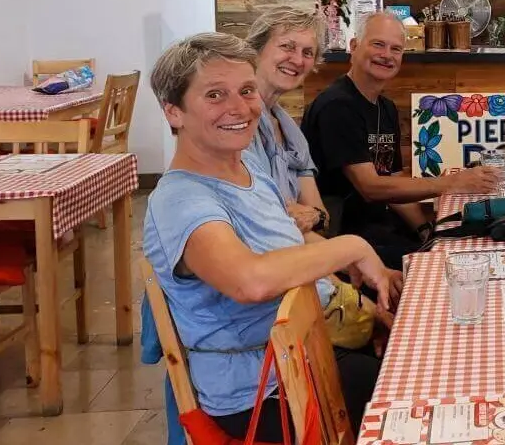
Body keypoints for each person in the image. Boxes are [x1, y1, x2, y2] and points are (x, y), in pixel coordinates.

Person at [143, 32, 399, 442]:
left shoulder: (246, 167)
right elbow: (251, 280)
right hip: (261, 393)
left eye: (246, 90)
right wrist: (350, 246)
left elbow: (287, 241)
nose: (239, 107)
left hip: (309, 350)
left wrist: (368, 274)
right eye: (214, 95)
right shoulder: (181, 200)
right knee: (420, 401)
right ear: (173, 112)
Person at [302, 12, 500, 269]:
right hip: (343, 239)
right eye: (378, 44)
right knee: (448, 266)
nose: (387, 55)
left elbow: (393, 178)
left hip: (379, 228)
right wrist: (451, 183)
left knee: (469, 244)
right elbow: (370, 187)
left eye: (396, 49)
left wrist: (425, 230)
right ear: (353, 47)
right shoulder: (337, 106)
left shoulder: (386, 107)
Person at [245, 7, 328, 234]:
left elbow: (321, 215)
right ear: (257, 49)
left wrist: (313, 216)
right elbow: (258, 219)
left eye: (308, 53)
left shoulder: (291, 131)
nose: (298, 60)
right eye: (287, 47)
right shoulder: (238, 122)